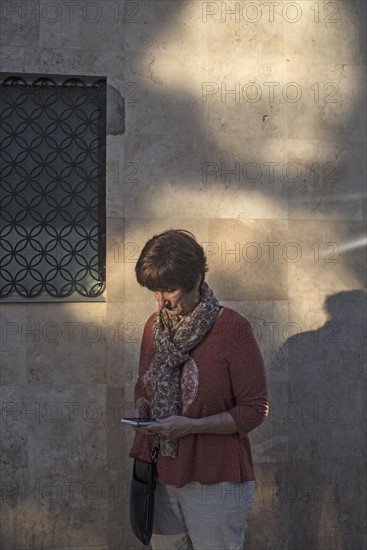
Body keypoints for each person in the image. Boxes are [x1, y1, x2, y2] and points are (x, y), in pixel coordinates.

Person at [129, 229, 269, 550]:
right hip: (160, 474)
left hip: (214, 478)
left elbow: (254, 409)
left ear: (195, 281)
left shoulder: (232, 328)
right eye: (154, 291)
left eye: (169, 290)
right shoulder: (154, 326)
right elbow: (143, 383)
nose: (161, 301)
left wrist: (192, 427)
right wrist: (141, 407)